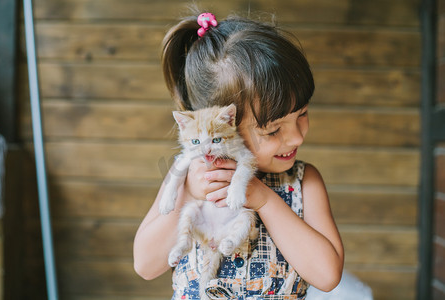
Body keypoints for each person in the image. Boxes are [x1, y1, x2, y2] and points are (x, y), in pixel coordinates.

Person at [133, 10, 344, 299]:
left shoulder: (303, 182)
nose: (296, 136)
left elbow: (327, 275)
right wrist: (192, 194)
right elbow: (145, 265)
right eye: (272, 130)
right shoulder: (188, 177)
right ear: (223, 124)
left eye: (302, 113)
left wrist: (263, 199)